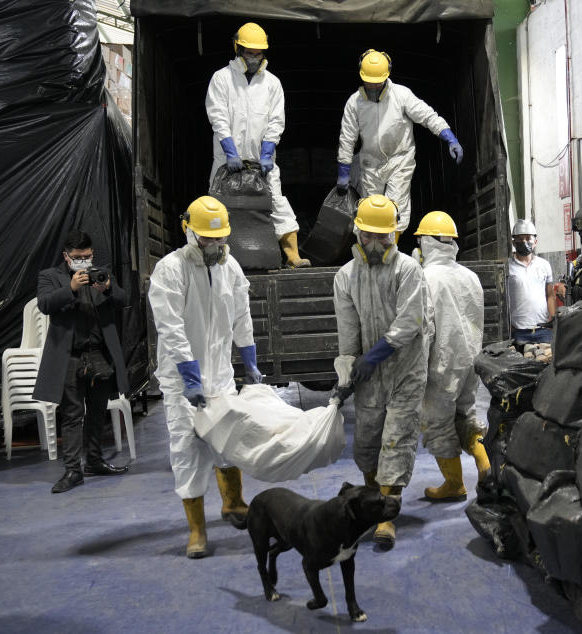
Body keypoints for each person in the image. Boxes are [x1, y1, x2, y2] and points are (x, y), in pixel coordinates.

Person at [148, 195, 264, 559]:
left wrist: (250, 362)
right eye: (207, 239)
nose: (215, 245)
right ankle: (197, 530)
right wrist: (190, 378)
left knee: (228, 443)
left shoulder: (232, 268)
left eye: (220, 239)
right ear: (189, 232)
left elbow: (242, 318)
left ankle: (233, 504)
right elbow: (170, 328)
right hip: (183, 382)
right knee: (188, 451)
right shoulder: (170, 270)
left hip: (221, 376)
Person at [333, 194, 428, 549]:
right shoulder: (345, 277)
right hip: (371, 378)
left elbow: (409, 324)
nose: (374, 244)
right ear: (356, 233)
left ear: (395, 236)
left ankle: (387, 516)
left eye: (382, 237)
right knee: (368, 442)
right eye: (367, 236)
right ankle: (375, 503)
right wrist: (347, 371)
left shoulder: (408, 270)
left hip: (405, 369)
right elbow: (347, 334)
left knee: (397, 440)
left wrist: (372, 357)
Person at [205, 22, 310, 268]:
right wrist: (231, 151)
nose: (253, 58)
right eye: (248, 53)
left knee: (276, 202)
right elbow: (217, 116)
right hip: (227, 158)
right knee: (218, 205)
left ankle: (292, 256)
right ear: (237, 49)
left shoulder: (272, 83)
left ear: (264, 53)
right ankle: (212, 255)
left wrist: (267, 153)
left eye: (257, 53)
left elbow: (276, 121)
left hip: (262, 160)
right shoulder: (222, 78)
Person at [33, 230, 130, 494]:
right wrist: (72, 288)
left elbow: (124, 300)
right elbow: (44, 304)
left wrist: (108, 288)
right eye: (77, 257)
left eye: (87, 257)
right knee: (73, 415)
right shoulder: (50, 276)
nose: (83, 262)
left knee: (98, 412)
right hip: (70, 357)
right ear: (66, 256)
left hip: (100, 354)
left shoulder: (102, 272)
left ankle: (95, 461)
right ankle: (73, 470)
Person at [335, 49, 464, 243]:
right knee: (371, 210)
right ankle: (369, 253)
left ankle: (390, 249)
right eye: (368, 81)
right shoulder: (354, 103)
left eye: (377, 82)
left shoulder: (401, 95)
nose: (372, 86)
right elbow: (347, 138)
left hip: (399, 159)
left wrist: (448, 137)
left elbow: (427, 116)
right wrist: (343, 171)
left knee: (396, 207)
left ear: (386, 77)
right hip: (370, 162)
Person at [412, 211, 491, 501]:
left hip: (439, 364)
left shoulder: (425, 278)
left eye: (420, 240)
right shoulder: (471, 277)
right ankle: (485, 462)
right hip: (469, 362)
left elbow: (423, 330)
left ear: (428, 243)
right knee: (466, 413)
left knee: (438, 423)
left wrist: (415, 372)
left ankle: (455, 484)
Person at [507, 219, 556, 345]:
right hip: (518, 331)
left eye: (528, 238)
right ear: (513, 242)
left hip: (543, 330)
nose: (524, 242)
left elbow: (550, 295)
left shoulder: (544, 265)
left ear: (535, 241)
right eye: (520, 239)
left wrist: (553, 321)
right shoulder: (507, 267)